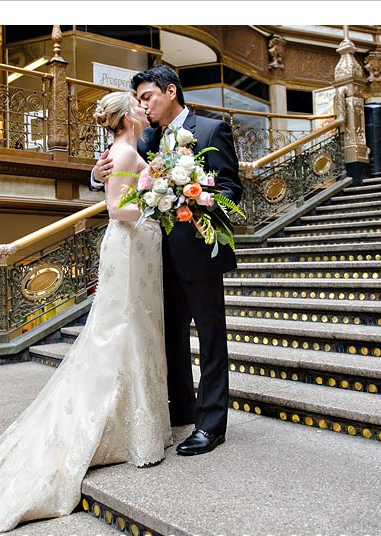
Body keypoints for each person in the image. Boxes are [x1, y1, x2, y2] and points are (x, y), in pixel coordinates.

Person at [0, 91, 171, 536]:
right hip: (129, 245)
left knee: (131, 330)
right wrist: (155, 193)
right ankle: (131, 429)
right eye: (139, 104)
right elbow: (118, 209)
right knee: (121, 330)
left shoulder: (123, 151)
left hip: (134, 250)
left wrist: (149, 186)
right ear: (129, 116)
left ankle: (134, 422)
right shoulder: (127, 151)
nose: (144, 109)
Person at [91, 64, 241, 456]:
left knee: (210, 340)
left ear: (170, 91)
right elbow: (122, 173)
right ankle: (183, 409)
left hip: (197, 251)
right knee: (168, 338)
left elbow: (231, 189)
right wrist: (96, 174)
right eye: (138, 100)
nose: (143, 106)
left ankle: (211, 425)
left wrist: (193, 198)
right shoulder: (146, 140)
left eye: (147, 97)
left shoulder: (211, 130)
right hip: (154, 256)